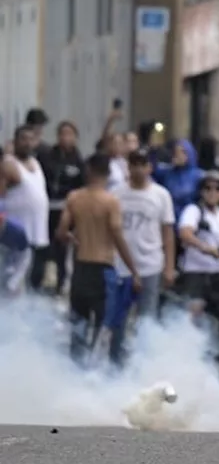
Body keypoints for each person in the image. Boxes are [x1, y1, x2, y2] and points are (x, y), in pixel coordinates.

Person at [56, 154, 142, 364]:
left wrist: (69, 236)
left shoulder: (74, 198)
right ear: (108, 173)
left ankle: (73, 374)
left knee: (78, 327)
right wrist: (134, 270)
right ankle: (95, 379)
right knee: (102, 328)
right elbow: (116, 234)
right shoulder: (111, 201)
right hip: (103, 270)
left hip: (81, 268)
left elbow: (60, 232)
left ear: (88, 171)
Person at [105, 149, 176, 366]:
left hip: (150, 264)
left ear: (150, 167)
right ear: (127, 166)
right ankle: (115, 365)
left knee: (147, 320)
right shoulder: (116, 194)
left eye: (142, 164)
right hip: (120, 266)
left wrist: (169, 266)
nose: (137, 168)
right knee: (119, 320)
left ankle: (145, 364)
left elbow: (167, 232)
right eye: (133, 163)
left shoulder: (161, 195)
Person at [176, 170, 219, 316]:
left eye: (218, 189)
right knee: (193, 312)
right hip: (196, 271)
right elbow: (185, 234)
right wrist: (206, 248)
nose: (212, 192)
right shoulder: (194, 211)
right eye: (208, 188)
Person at [34, 120, 83, 295]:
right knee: (43, 246)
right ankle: (38, 282)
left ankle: (60, 283)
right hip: (47, 207)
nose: (65, 137)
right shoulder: (47, 155)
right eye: (62, 134)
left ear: (75, 137)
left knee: (62, 248)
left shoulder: (78, 160)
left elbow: (80, 187)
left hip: (66, 209)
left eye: (69, 134)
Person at [3, 125, 49, 292]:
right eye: (23, 139)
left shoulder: (35, 162)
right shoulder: (8, 165)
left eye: (31, 139)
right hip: (15, 235)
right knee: (11, 282)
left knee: (29, 281)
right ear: (15, 141)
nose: (27, 143)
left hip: (35, 233)